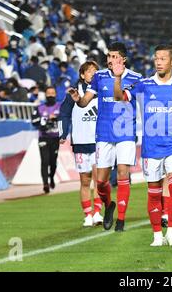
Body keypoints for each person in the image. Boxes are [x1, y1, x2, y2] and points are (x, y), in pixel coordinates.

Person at [112, 44, 172, 246]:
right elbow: (119, 97)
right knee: (154, 190)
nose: (158, 62)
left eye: (162, 58)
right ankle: (156, 235)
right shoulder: (144, 85)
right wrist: (117, 78)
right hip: (151, 148)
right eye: (156, 58)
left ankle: (171, 231)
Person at [67, 42, 143, 232]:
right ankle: (109, 205)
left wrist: (117, 78)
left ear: (123, 59)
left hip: (125, 133)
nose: (110, 60)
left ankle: (121, 220)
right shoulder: (99, 77)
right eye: (108, 56)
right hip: (103, 133)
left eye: (114, 56)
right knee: (101, 182)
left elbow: (120, 98)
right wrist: (78, 99)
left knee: (123, 173)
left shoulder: (135, 78)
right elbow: (86, 101)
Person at [59, 61, 104, 227]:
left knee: (99, 180)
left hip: (99, 141)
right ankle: (87, 214)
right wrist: (62, 133)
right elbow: (63, 114)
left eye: (95, 71)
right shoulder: (74, 93)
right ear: (82, 75)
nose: (93, 74)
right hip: (80, 142)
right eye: (89, 71)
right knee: (85, 181)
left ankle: (98, 212)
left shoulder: (103, 91)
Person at [31, 86, 61, 194]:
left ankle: (51, 177)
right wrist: (44, 121)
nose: (50, 95)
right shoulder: (40, 108)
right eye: (48, 93)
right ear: (45, 94)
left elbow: (66, 118)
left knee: (53, 162)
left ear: (56, 94)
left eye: (53, 93)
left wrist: (56, 118)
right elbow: (34, 122)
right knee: (45, 161)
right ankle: (45, 184)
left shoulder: (60, 106)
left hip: (55, 138)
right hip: (43, 137)